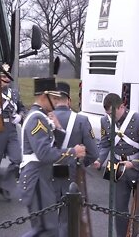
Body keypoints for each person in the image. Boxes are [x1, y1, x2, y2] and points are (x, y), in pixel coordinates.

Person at [17, 77, 87, 237]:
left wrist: (57, 127)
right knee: (46, 230)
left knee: (48, 230)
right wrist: (73, 152)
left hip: (40, 177)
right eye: (54, 98)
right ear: (44, 96)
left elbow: (52, 145)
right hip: (37, 177)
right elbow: (45, 153)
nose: (57, 102)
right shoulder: (37, 118)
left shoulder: (41, 116)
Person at [92, 93, 139, 237]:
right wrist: (99, 160)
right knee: (119, 208)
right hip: (117, 167)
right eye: (108, 113)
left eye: (112, 113)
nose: (110, 116)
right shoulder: (105, 121)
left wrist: (133, 163)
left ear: (122, 106)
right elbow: (105, 144)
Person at [51, 82, 98, 237]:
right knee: (67, 220)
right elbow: (93, 153)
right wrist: (78, 164)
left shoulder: (43, 118)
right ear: (69, 100)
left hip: (47, 174)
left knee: (46, 220)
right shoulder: (81, 120)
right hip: (71, 175)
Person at [0, 63, 26, 202]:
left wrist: (20, 116)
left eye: (7, 78)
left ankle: (5, 185)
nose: (5, 81)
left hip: (12, 129)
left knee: (17, 160)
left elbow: (22, 108)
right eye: (2, 78)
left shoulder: (14, 93)